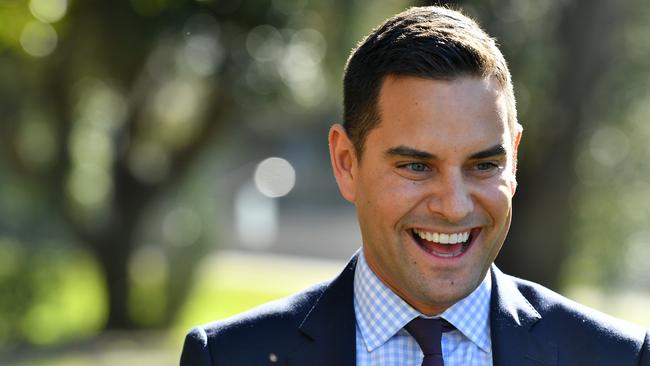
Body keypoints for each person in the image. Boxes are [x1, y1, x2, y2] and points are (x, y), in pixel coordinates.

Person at [180, 5, 650, 366]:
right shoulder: (229, 357)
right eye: (417, 167)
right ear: (346, 162)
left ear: (515, 159)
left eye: (483, 165)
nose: (453, 205)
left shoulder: (618, 358)